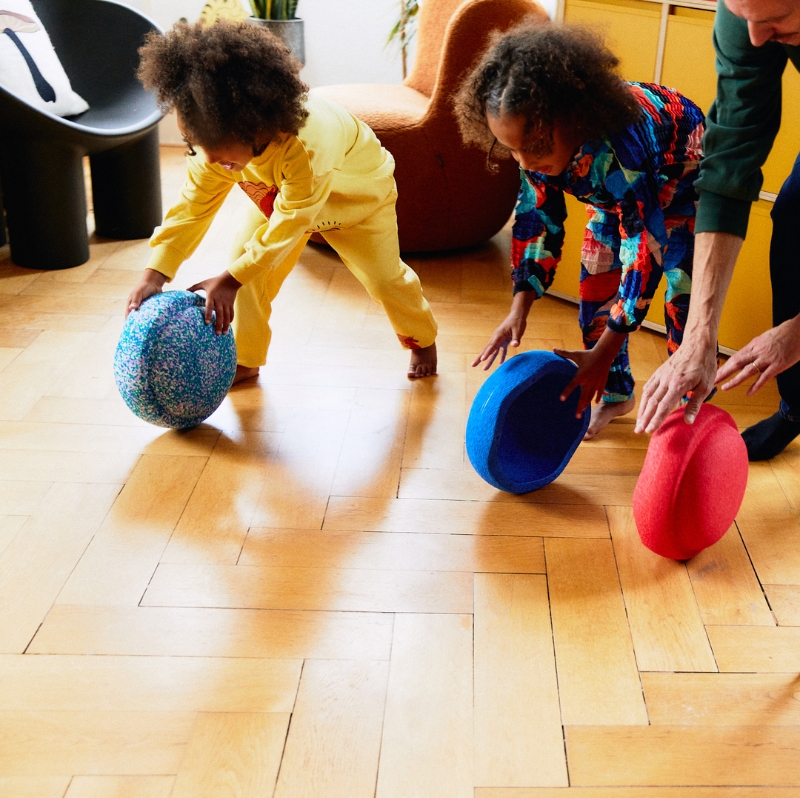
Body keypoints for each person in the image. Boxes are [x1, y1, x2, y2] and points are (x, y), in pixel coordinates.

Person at [126, 21, 438, 384]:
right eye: (196, 145)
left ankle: (422, 338)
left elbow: (291, 224)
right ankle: (246, 357)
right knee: (245, 270)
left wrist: (230, 279)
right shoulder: (214, 151)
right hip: (278, 201)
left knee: (386, 281)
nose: (209, 160)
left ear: (255, 127)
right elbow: (191, 208)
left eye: (219, 151)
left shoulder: (305, 145)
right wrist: (156, 273)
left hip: (357, 201)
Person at [454, 24, 705, 439]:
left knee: (683, 293)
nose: (524, 160)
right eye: (510, 148)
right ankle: (617, 394)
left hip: (680, 180)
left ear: (573, 117)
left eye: (533, 146)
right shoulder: (534, 153)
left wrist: (605, 352)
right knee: (594, 289)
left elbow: (642, 247)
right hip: (617, 193)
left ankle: (687, 408)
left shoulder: (623, 145)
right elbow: (537, 219)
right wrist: (520, 306)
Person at [636, 0, 800, 460]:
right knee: (792, 217)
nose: (754, 38)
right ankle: (797, 407)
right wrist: (698, 338)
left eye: (772, 22)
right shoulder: (747, 16)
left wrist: (795, 336)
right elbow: (730, 163)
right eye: (745, 18)